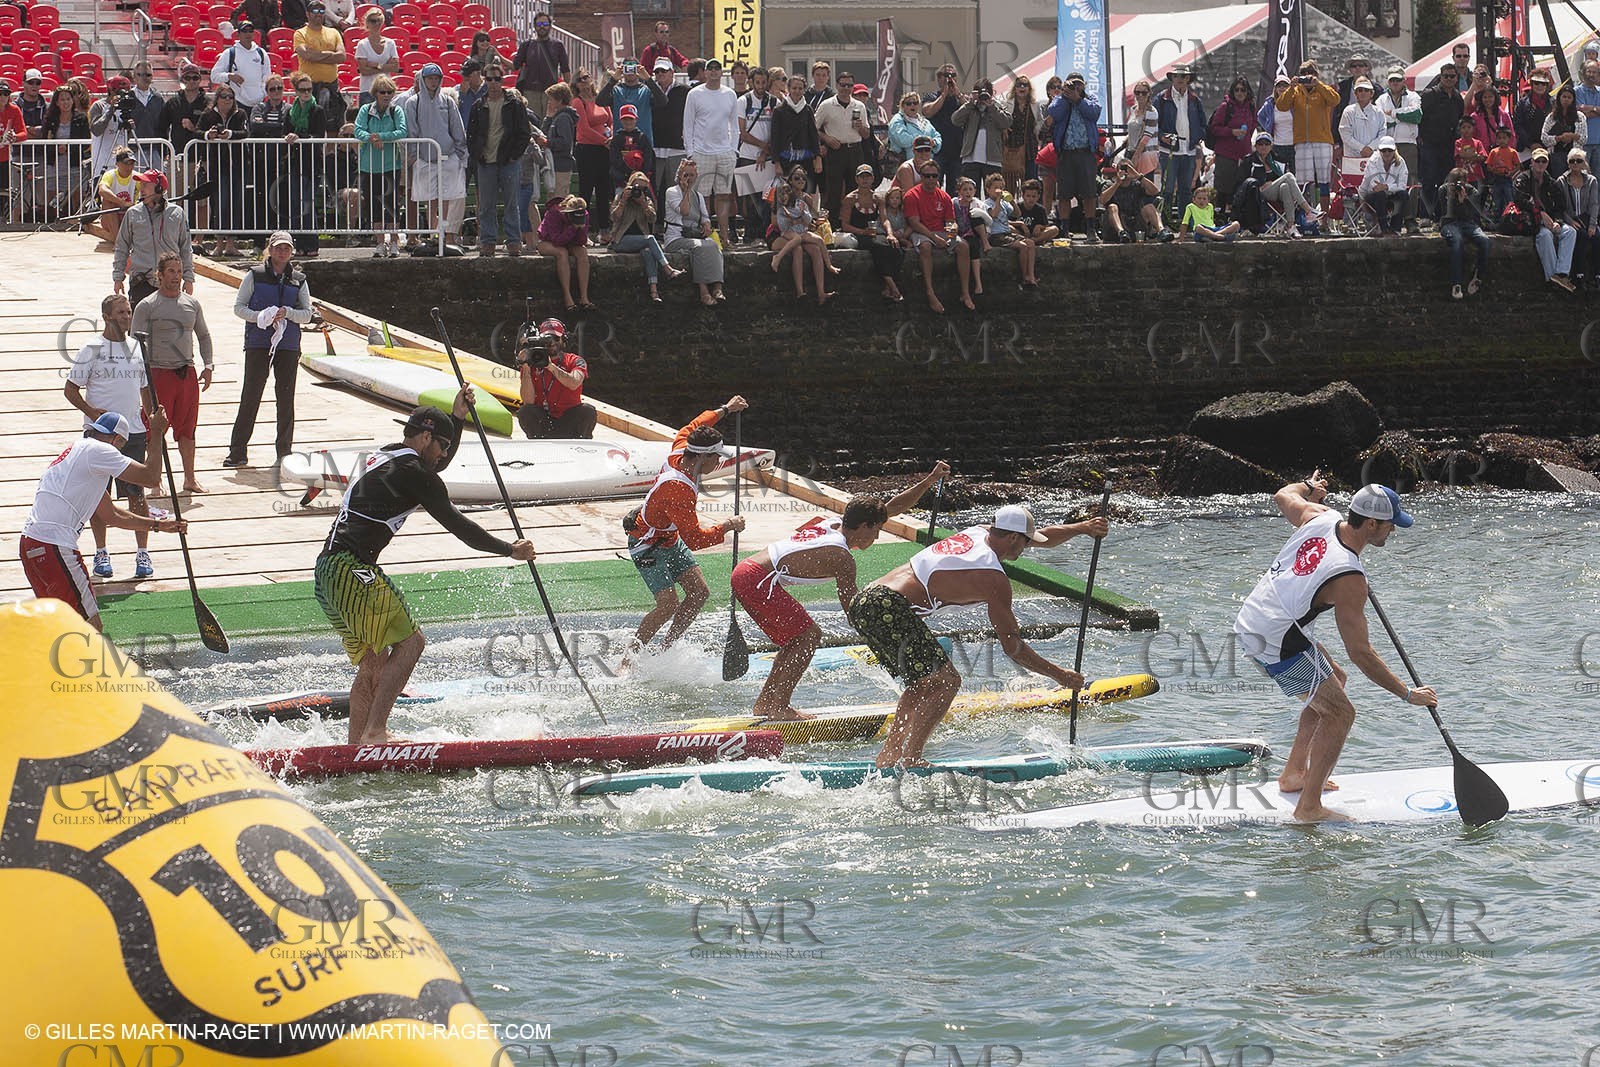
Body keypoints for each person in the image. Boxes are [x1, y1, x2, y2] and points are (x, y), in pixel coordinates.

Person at [316, 393, 537, 743]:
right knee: (412, 643)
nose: (444, 455)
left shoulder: (387, 454)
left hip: (326, 573)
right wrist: (510, 550)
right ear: (424, 437)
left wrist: (457, 418)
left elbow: (432, 470)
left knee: (373, 661)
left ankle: (356, 748)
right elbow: (460, 527)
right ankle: (376, 731)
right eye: (443, 446)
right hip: (353, 569)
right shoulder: (415, 474)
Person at [1234, 479, 1437, 823]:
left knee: (1335, 680)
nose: (1393, 530)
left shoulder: (1320, 516)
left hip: (1256, 618)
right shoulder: (1350, 578)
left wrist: (1308, 485)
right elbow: (1361, 653)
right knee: (1340, 713)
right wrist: (1407, 694)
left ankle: (1294, 774)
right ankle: (1309, 807)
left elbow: (1284, 495)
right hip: (1274, 639)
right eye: (1390, 524)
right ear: (1371, 524)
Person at [848, 505, 1107, 767]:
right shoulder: (993, 579)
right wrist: (1060, 676)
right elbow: (1013, 648)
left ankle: (890, 755)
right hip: (887, 606)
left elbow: (1042, 537)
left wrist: (1083, 528)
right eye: (1025, 542)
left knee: (924, 682)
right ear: (1013, 538)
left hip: (865, 601)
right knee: (947, 681)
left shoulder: (979, 531)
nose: (1028, 547)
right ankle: (911, 758)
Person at [733, 463, 949, 721]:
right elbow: (853, 610)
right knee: (808, 636)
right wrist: (887, 637)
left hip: (747, 572)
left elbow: (891, 508)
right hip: (756, 579)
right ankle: (780, 707)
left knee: (796, 639)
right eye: (877, 530)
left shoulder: (834, 522)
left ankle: (766, 703)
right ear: (864, 526)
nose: (877, 537)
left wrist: (930, 480)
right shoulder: (842, 558)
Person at [20, 411, 187, 628]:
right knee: (90, 627)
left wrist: (159, 525)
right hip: (55, 546)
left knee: (59, 627)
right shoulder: (100, 450)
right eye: (121, 446)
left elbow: (112, 515)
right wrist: (156, 432)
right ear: (117, 440)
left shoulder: (78, 455)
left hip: (30, 543)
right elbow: (151, 478)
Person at [623, 397, 749, 662]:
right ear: (703, 456)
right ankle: (628, 658)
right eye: (717, 456)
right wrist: (727, 526)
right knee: (667, 604)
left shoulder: (682, 447)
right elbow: (695, 540)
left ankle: (666, 650)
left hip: (669, 538)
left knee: (699, 593)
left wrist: (726, 409)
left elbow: (695, 424)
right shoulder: (678, 491)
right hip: (647, 544)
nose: (719, 461)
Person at [65, 295, 157, 580]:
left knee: (136, 494)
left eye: (128, 312)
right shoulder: (92, 349)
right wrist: (91, 412)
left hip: (133, 432)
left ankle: (142, 552)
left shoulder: (137, 347)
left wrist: (153, 420)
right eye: (120, 313)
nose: (126, 317)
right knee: (98, 494)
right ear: (106, 317)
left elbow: (144, 389)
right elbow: (70, 389)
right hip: (100, 434)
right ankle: (101, 551)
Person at [222, 234, 311, 467]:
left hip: (288, 344)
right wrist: (260, 317)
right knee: (251, 395)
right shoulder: (254, 275)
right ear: (270, 250)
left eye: (286, 248)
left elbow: (307, 314)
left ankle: (284, 453)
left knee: (286, 398)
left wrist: (287, 313)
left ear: (291, 252)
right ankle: (237, 452)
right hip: (258, 342)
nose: (282, 252)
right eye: (278, 248)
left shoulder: (299, 279)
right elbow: (239, 307)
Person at [131, 253, 213, 493]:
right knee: (155, 430)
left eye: (179, 271)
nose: (176, 276)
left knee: (188, 429)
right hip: (158, 373)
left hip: (186, 372)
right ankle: (154, 480)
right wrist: (140, 378)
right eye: (171, 271)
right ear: (159, 275)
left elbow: (204, 335)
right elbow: (134, 343)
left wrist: (208, 365)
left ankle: (190, 479)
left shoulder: (192, 304)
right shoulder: (147, 305)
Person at [404, 62, 468, 246]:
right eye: (430, 78)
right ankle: (434, 233)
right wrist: (414, 156)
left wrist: (461, 153)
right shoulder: (413, 102)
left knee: (451, 195)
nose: (433, 82)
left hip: (448, 155)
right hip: (424, 158)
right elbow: (412, 131)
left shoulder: (447, 101)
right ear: (423, 80)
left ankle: (447, 233)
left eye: (436, 78)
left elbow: (457, 128)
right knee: (429, 197)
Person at [113, 170, 194, 308]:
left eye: (145, 185)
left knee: (169, 321)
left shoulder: (177, 213)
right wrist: (118, 277)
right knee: (138, 321)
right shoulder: (133, 213)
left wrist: (188, 278)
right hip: (141, 282)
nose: (141, 189)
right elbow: (122, 247)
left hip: (170, 281)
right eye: (140, 184)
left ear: (159, 188)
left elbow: (186, 248)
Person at [683, 59, 740, 247]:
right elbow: (688, 125)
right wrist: (691, 153)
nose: (714, 71)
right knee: (702, 197)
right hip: (701, 153)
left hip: (725, 153)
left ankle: (724, 237)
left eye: (717, 68)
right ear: (705, 72)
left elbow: (734, 125)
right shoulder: (694, 94)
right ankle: (706, 236)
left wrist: (733, 150)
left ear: (721, 72)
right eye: (710, 69)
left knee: (723, 195)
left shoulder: (730, 94)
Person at [903, 157, 970, 313]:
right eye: (927, 176)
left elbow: (950, 221)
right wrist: (934, 238)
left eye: (934, 176)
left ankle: (965, 292)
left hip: (941, 230)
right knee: (925, 247)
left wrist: (953, 229)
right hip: (922, 231)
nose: (931, 179)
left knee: (963, 246)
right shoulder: (912, 195)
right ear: (921, 176)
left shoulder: (944, 196)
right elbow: (914, 223)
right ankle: (930, 291)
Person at [1276, 62, 1339, 225]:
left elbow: (1335, 100)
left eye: (1311, 73)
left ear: (1316, 74)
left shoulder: (1322, 89)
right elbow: (1281, 106)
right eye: (1304, 73)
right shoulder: (1296, 91)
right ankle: (1306, 220)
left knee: (1324, 181)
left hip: (1323, 140)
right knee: (1303, 182)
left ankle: (1325, 221)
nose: (1307, 76)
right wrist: (1291, 87)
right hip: (1302, 141)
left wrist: (1318, 84)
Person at [514, 317, 595, 438]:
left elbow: (574, 382)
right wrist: (525, 366)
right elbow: (528, 401)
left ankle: (579, 441)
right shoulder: (532, 364)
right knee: (525, 411)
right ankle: (538, 441)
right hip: (544, 421)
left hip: (568, 419)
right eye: (547, 339)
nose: (551, 343)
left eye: (556, 338)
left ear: (563, 339)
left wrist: (550, 367)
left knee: (587, 411)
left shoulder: (575, 360)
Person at [354, 74, 407, 257]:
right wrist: (371, 138)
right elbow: (358, 130)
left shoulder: (396, 110)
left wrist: (380, 137)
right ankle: (380, 243)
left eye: (389, 92)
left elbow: (402, 131)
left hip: (391, 165)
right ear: (375, 93)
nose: (386, 95)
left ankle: (394, 243)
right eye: (382, 92)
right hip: (368, 166)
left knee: (392, 204)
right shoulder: (365, 110)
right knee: (373, 205)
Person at [1047, 71, 1102, 241]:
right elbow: (1054, 112)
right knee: (1064, 194)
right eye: (1071, 84)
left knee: (1089, 193)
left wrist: (1078, 99)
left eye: (1078, 84)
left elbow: (1094, 113)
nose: (1075, 87)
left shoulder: (1090, 98)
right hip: (1066, 153)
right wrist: (1066, 97)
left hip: (1086, 152)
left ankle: (1091, 229)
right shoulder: (1060, 100)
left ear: (1084, 85)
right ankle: (1064, 229)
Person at [663, 157, 725, 306]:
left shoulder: (698, 196)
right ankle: (704, 292)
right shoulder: (671, 192)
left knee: (715, 245)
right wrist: (686, 192)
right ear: (679, 176)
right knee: (700, 247)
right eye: (686, 175)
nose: (689, 178)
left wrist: (707, 225)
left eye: (692, 175)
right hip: (676, 238)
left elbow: (705, 217)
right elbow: (684, 211)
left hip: (694, 235)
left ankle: (717, 287)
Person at [609, 170, 679, 301]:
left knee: (648, 252)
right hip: (620, 240)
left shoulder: (646, 201)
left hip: (641, 241)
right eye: (636, 188)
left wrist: (643, 204)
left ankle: (654, 291)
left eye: (642, 188)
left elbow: (653, 219)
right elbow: (614, 217)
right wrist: (623, 201)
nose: (638, 191)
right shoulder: (621, 197)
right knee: (651, 238)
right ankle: (668, 269)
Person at [1515, 148, 1579, 291]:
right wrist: (1539, 212)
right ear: (1531, 162)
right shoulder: (1523, 179)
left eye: (1543, 161)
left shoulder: (1551, 182)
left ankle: (1561, 274)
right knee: (1545, 236)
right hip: (1532, 221)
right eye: (1537, 161)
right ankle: (1551, 279)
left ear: (1547, 163)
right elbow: (1520, 199)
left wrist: (1557, 222)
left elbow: (1560, 206)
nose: (1540, 164)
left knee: (1570, 232)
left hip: (1551, 221)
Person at [769, 166, 833, 305]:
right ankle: (800, 292)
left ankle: (821, 293)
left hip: (800, 232)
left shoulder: (806, 199)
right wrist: (794, 219)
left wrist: (816, 220)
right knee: (797, 247)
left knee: (815, 249)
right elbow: (775, 223)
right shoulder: (782, 194)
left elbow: (811, 219)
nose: (801, 181)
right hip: (782, 233)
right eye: (797, 178)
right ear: (790, 180)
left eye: (803, 178)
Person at [842, 162, 905, 300]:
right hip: (858, 234)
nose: (865, 180)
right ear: (856, 179)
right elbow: (845, 225)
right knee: (879, 247)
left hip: (874, 234)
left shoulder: (878, 198)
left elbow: (885, 219)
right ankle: (893, 286)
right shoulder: (850, 199)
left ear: (872, 178)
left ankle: (887, 288)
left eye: (868, 176)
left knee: (896, 248)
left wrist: (890, 234)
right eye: (862, 177)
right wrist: (862, 232)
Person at [199, 84, 247, 257]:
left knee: (234, 204)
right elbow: (197, 132)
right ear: (217, 98)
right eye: (224, 96)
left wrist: (230, 134)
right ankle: (219, 244)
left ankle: (231, 244)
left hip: (236, 165)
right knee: (219, 203)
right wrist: (208, 135)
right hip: (216, 166)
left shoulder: (240, 114)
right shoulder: (208, 114)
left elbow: (245, 132)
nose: (227, 100)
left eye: (230, 97)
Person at [1155, 65, 1207, 226]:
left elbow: (1203, 123)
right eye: (1176, 76)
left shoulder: (1194, 100)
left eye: (1183, 76)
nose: (1180, 79)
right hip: (1168, 151)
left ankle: (1185, 224)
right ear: (1172, 78)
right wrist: (1162, 137)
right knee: (1168, 189)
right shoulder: (1161, 98)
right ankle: (1164, 224)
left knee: (1186, 190)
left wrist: (1197, 137)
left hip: (1189, 151)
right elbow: (1153, 124)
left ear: (1188, 79)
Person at [815, 71, 870, 222]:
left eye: (849, 85)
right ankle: (832, 224)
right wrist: (826, 139)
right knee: (834, 190)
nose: (846, 88)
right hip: (836, 150)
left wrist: (860, 127)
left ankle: (853, 222)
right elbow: (813, 128)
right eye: (843, 85)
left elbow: (866, 134)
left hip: (855, 150)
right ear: (837, 85)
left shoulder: (859, 106)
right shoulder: (827, 105)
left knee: (855, 189)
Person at [1376, 69, 1422, 233]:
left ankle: (1410, 219)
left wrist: (1394, 114)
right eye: (1392, 80)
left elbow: (1416, 115)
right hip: (1387, 145)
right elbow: (1382, 120)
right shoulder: (1381, 99)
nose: (1395, 83)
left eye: (1398, 80)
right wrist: (1401, 116)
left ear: (1404, 81)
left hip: (1408, 143)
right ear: (1388, 82)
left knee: (1410, 180)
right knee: (1386, 179)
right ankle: (1392, 218)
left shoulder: (1413, 96)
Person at [1418, 62, 1464, 219]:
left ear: (1457, 78)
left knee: (1446, 181)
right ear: (1440, 77)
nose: (1449, 79)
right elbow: (1419, 117)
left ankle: (1441, 215)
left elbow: (1459, 119)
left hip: (1448, 146)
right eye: (1446, 76)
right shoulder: (1429, 95)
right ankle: (1425, 216)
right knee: (1429, 180)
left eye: (1452, 76)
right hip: (1430, 144)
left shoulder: (1457, 97)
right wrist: (1421, 138)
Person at [571, 69, 612, 236]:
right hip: (587, 150)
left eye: (586, 77)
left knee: (604, 190)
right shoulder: (577, 102)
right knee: (586, 190)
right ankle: (582, 231)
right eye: (579, 79)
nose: (583, 81)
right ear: (575, 84)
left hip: (604, 150)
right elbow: (584, 129)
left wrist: (610, 138)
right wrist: (604, 141)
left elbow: (610, 120)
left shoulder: (600, 98)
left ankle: (604, 229)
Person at [1438, 167, 1490, 299]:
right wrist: (1453, 198)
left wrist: (1464, 201)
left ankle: (1478, 276)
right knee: (1457, 241)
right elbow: (1446, 213)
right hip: (1449, 223)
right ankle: (1456, 283)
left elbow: (1471, 215)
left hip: (1468, 223)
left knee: (1485, 240)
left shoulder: (1472, 192)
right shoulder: (1443, 190)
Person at [1208, 77, 1257, 215]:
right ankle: (1220, 217)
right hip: (1226, 155)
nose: (1240, 93)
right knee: (1223, 190)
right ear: (1232, 91)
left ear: (1248, 92)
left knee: (1241, 189)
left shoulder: (1251, 107)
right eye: (1237, 90)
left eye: (1243, 90)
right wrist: (1231, 132)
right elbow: (1214, 128)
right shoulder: (1225, 107)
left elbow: (1253, 125)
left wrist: (1246, 140)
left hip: (1244, 155)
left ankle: (1238, 219)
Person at [293, 0, 345, 129]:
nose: (319, 14)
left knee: (333, 125)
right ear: (308, 14)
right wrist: (331, 54)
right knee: (310, 126)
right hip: (309, 88)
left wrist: (316, 55)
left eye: (322, 11)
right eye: (315, 11)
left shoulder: (334, 32)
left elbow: (342, 56)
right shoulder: (300, 33)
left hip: (331, 86)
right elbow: (307, 55)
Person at [537, 193, 593, 309]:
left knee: (582, 252)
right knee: (562, 253)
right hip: (547, 241)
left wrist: (580, 230)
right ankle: (567, 296)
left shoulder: (584, 215)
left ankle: (584, 298)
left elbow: (581, 242)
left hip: (569, 241)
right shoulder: (554, 213)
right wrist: (572, 228)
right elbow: (556, 240)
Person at [510, 10, 569, 120]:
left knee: (550, 122)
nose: (542, 27)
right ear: (534, 26)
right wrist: (498, 55)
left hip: (551, 92)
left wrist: (567, 92)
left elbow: (565, 69)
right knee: (533, 122)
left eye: (545, 24)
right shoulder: (526, 45)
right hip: (530, 91)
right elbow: (515, 66)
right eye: (539, 24)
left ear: (550, 26)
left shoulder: (558, 45)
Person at [951, 77, 1006, 191]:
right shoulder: (970, 107)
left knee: (993, 194)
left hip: (992, 159)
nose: (983, 97)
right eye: (980, 93)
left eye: (986, 93)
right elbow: (955, 120)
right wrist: (970, 103)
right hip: (970, 159)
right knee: (970, 194)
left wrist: (992, 107)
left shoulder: (997, 106)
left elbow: (1006, 122)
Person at [650, 58, 690, 214]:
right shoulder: (649, 90)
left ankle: (675, 222)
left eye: (664, 71)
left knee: (675, 189)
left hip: (677, 149)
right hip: (656, 148)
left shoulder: (685, 91)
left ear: (672, 73)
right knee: (654, 189)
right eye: (657, 71)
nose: (660, 74)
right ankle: (657, 223)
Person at [770, 73, 822, 189]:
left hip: (806, 159)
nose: (797, 91)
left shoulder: (807, 109)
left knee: (807, 190)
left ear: (804, 90)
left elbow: (814, 135)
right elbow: (775, 138)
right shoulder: (779, 110)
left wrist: (818, 158)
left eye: (800, 88)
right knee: (787, 192)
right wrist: (777, 163)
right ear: (788, 89)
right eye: (794, 88)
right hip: (786, 160)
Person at [598, 58, 666, 147]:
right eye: (627, 69)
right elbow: (599, 101)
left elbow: (663, 101)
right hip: (621, 145)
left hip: (643, 145)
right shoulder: (616, 91)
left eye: (633, 69)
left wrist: (648, 79)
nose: (630, 72)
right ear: (622, 70)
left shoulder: (646, 91)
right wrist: (613, 79)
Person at [1100, 157, 1167, 242]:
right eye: (1122, 169)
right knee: (1112, 207)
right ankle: (1122, 233)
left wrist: (1139, 176)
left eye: (1128, 169)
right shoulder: (1110, 184)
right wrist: (1117, 183)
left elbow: (1155, 192)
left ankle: (1161, 231)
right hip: (1116, 225)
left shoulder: (1137, 184)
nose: (1125, 172)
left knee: (1149, 206)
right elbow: (1102, 200)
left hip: (1135, 222)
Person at [922, 63, 965, 194]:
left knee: (956, 190)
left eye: (953, 75)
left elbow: (970, 112)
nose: (950, 78)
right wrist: (944, 94)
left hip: (957, 152)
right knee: (934, 187)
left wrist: (958, 95)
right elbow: (928, 112)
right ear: (939, 78)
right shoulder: (931, 97)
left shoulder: (960, 98)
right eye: (946, 75)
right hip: (937, 151)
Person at [1560, 148, 1600, 288]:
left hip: (1587, 218)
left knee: (1597, 236)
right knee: (1580, 236)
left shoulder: (1592, 180)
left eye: (1579, 161)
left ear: (1584, 163)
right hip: (1571, 219)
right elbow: (1559, 207)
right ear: (1568, 163)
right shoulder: (1562, 181)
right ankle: (1579, 274)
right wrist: (1569, 221)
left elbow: (1594, 204)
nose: (1575, 164)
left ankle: (1597, 274)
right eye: (1572, 161)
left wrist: (1593, 224)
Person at [211, 22, 273, 111]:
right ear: (238, 34)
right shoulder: (229, 53)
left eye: (250, 31)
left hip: (259, 104)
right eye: (244, 31)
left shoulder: (262, 53)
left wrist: (262, 94)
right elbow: (214, 76)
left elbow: (267, 78)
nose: (248, 34)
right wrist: (229, 76)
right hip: (237, 103)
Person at [1338, 77, 1384, 191]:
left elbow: (1382, 134)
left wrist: (1370, 148)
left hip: (1373, 158)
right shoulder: (1348, 111)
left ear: (1371, 93)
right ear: (1355, 93)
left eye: (1366, 90)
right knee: (1352, 190)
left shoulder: (1378, 112)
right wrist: (1361, 148)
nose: (1363, 93)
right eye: (1360, 90)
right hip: (1352, 158)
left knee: (1374, 190)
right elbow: (1345, 134)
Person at [1359, 137, 1409, 235]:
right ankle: (1384, 229)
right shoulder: (1373, 161)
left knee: (1403, 195)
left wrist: (1387, 186)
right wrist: (1392, 186)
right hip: (1370, 198)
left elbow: (1402, 185)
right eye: (1383, 150)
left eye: (1390, 150)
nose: (1387, 153)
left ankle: (1395, 229)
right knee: (1380, 195)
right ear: (1379, 150)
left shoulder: (1401, 162)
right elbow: (1375, 186)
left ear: (1394, 150)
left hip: (1389, 196)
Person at [353, 8, 399, 106]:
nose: (376, 24)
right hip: (367, 90)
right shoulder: (362, 44)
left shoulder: (390, 43)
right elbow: (364, 71)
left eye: (379, 20)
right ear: (367, 23)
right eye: (373, 21)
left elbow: (395, 67)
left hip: (386, 90)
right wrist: (386, 67)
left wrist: (376, 65)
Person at [96, 146, 141, 246]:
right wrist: (122, 203)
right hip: (110, 218)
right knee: (108, 202)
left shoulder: (137, 177)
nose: (129, 167)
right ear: (117, 164)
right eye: (126, 163)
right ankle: (119, 243)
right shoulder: (110, 175)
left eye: (132, 163)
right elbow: (102, 191)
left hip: (129, 215)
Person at [608, 102, 655, 196]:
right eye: (625, 119)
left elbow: (648, 158)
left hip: (640, 179)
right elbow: (615, 159)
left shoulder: (642, 138)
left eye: (631, 119)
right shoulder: (617, 139)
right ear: (621, 120)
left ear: (636, 119)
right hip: (622, 180)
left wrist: (639, 174)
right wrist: (630, 172)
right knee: (621, 199)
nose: (628, 122)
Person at [1543, 85, 1587, 175]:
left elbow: (1584, 139)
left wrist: (1571, 136)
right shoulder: (1551, 117)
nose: (1566, 100)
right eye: (1564, 97)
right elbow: (1544, 138)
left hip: (1575, 157)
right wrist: (1559, 138)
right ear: (1559, 98)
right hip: (1557, 155)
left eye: (1569, 97)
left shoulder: (1580, 117)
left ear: (1573, 100)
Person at [1514, 68, 1553, 163]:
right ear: (1531, 84)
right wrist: (1531, 144)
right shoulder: (1522, 103)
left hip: (1548, 148)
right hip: (1526, 149)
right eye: (1536, 83)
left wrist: (1545, 143)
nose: (1540, 86)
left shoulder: (1554, 103)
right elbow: (1518, 125)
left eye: (1543, 83)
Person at [1484, 126, 1519, 216]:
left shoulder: (1512, 152)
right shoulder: (1493, 152)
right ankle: (1497, 218)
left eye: (1504, 138)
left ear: (1509, 139)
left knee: (1509, 198)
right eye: (1499, 138)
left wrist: (1511, 173)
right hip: (1496, 179)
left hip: (1507, 178)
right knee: (1497, 199)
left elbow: (1518, 166)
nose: (1502, 140)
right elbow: (1488, 165)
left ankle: (1511, 216)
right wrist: (1493, 170)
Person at [1014, 177, 1060, 244]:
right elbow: (1008, 222)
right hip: (1020, 233)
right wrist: (1021, 224)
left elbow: (1046, 225)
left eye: (1033, 196)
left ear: (1038, 197)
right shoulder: (1017, 207)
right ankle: (1026, 240)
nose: (1031, 199)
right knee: (1009, 228)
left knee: (1055, 229)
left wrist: (1040, 227)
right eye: (1028, 196)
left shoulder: (1041, 209)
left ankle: (1033, 241)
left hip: (1035, 235)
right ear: (1023, 196)